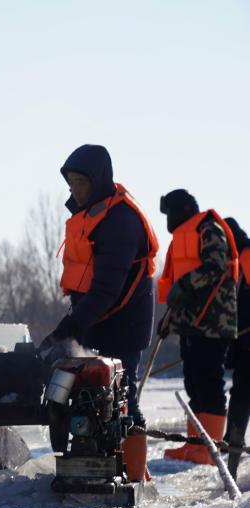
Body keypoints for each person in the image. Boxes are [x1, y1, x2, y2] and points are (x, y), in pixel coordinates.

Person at [46, 144, 159, 482]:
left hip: (124, 320)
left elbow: (109, 287)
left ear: (98, 180)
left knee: (124, 396)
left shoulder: (121, 220)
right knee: (92, 398)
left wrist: (72, 324)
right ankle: (103, 463)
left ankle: (137, 477)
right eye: (71, 184)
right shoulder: (91, 214)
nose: (75, 190)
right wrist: (76, 321)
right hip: (96, 316)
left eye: (81, 182)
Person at [158, 190, 239, 465]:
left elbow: (214, 268)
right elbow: (179, 284)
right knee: (193, 383)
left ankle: (210, 448)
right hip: (191, 324)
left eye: (169, 212)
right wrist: (168, 320)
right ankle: (195, 445)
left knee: (209, 384)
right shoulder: (182, 238)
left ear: (180, 210)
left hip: (215, 324)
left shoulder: (208, 229)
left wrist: (183, 285)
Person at [224, 217, 249, 476]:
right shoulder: (236, 261)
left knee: (241, 398)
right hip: (242, 344)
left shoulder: (247, 254)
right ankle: (232, 454)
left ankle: (233, 455)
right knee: (240, 398)